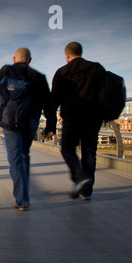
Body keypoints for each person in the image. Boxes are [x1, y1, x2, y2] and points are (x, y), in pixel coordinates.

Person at [0, 48, 56, 211]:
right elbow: (48, 103)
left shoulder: (7, 70)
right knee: (24, 154)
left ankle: (22, 199)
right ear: (30, 60)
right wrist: (50, 126)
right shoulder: (39, 77)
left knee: (15, 158)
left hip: (11, 120)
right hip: (32, 120)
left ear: (14, 58)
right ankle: (23, 192)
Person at [51, 42, 106, 200]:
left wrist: (50, 120)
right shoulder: (97, 68)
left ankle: (80, 178)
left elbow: (54, 99)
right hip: (93, 119)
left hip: (72, 118)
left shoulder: (63, 72)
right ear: (81, 52)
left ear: (67, 55)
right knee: (89, 153)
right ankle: (87, 191)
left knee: (67, 149)